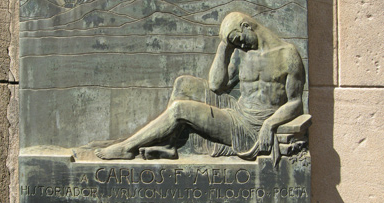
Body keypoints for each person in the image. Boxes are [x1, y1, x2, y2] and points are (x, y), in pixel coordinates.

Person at [95, 12, 305, 161]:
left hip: (251, 127)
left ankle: (126, 148)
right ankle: (169, 145)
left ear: (247, 26)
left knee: (179, 109)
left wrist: (269, 124)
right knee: (183, 83)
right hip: (237, 112)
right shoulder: (244, 54)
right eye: (236, 43)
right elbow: (215, 85)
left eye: (239, 39)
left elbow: (296, 103)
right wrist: (225, 46)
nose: (240, 45)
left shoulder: (288, 54)